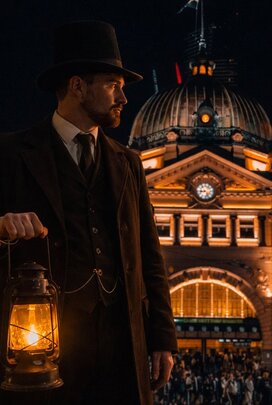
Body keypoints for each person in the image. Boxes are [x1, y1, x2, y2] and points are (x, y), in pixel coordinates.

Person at [0, 20, 177, 404]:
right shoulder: (12, 153)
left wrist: (163, 339)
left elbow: (150, 255)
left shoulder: (127, 163)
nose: (123, 98)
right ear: (78, 86)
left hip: (121, 344)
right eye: (113, 85)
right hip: (41, 348)